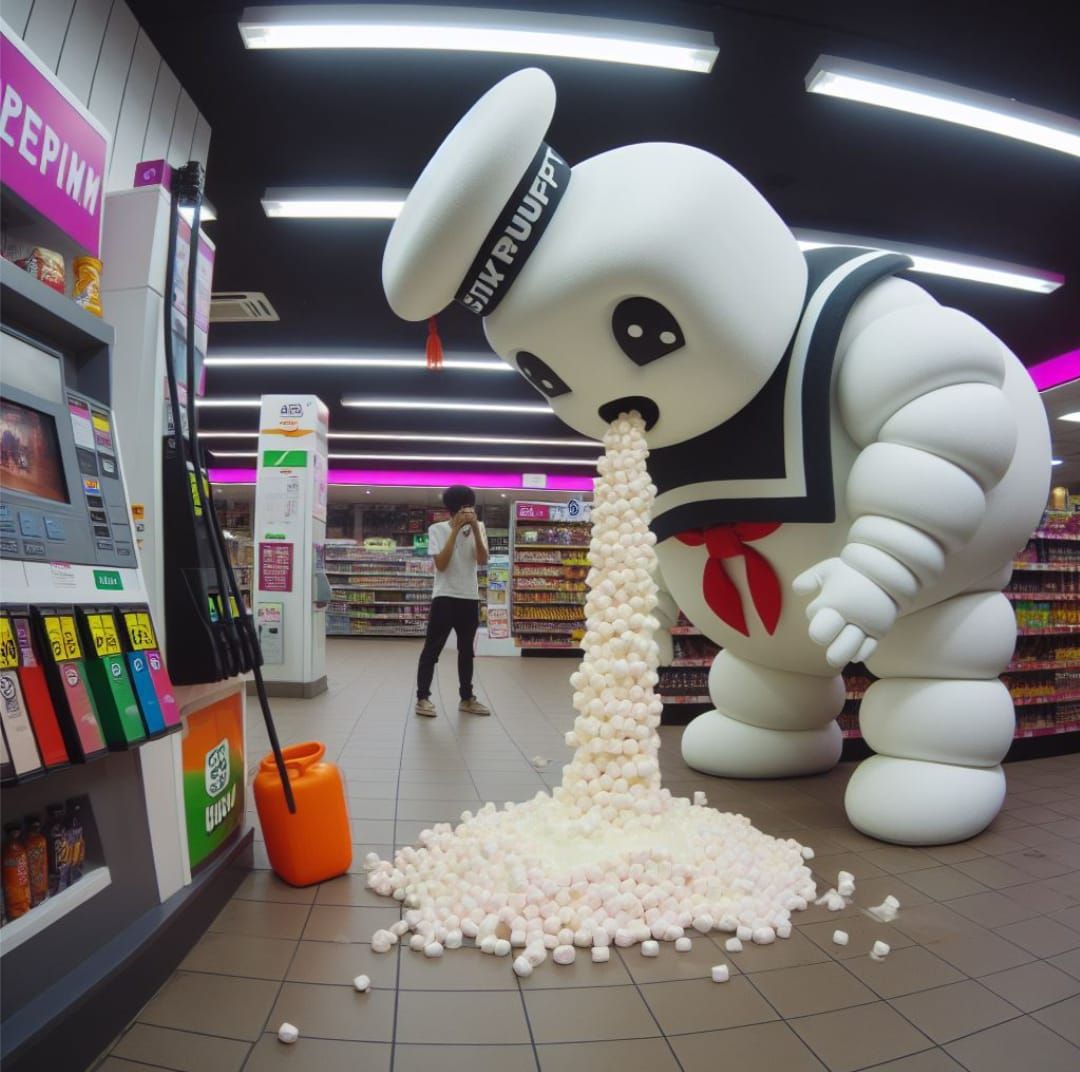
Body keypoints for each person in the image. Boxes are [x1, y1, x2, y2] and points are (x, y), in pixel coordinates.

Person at [415, 485, 491, 717]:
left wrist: (476, 531)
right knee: (432, 649)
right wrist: (455, 530)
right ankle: (422, 698)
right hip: (444, 596)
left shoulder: (480, 527)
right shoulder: (437, 529)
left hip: (469, 597)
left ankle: (466, 698)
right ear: (452, 510)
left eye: (470, 507)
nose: (467, 512)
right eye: (462, 508)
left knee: (466, 651)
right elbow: (442, 563)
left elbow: (482, 560)